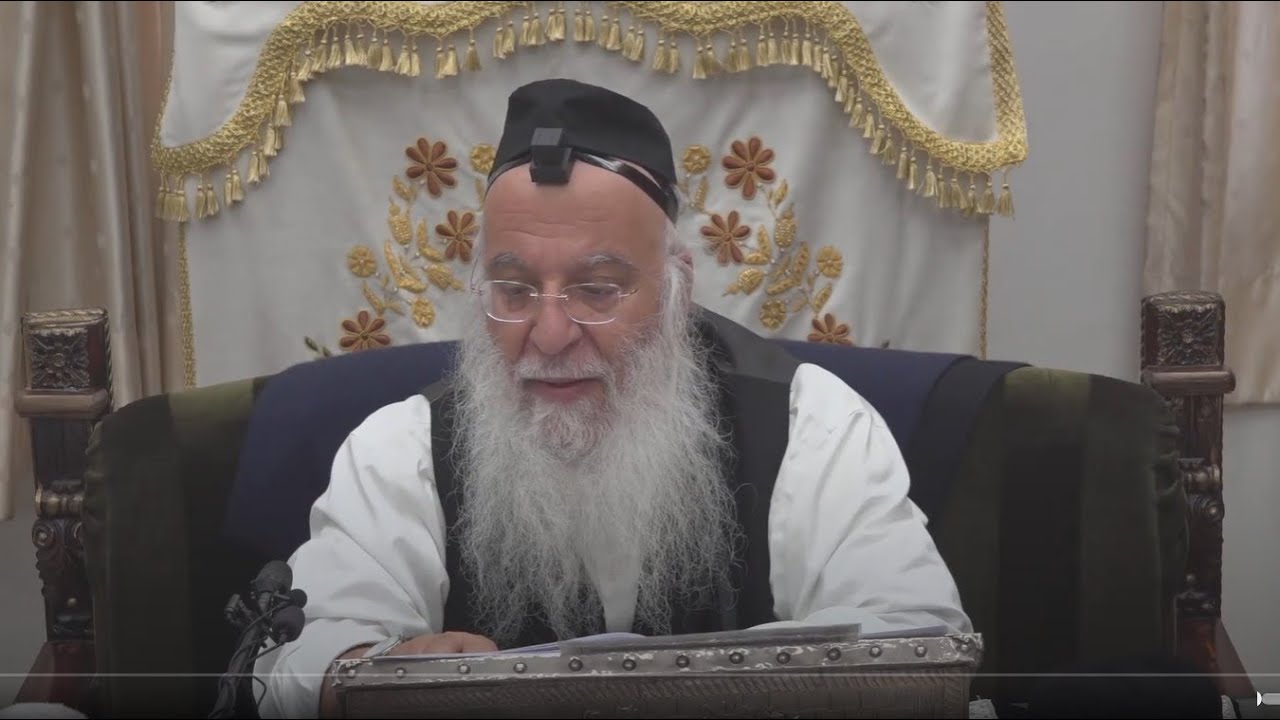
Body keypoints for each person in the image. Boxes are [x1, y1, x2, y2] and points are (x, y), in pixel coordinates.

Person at [255, 78, 971, 718]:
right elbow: (297, 658)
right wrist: (364, 674)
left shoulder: (809, 421)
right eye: (515, 290)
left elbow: (918, 638)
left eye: (598, 290)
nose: (550, 334)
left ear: (677, 287)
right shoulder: (403, 445)